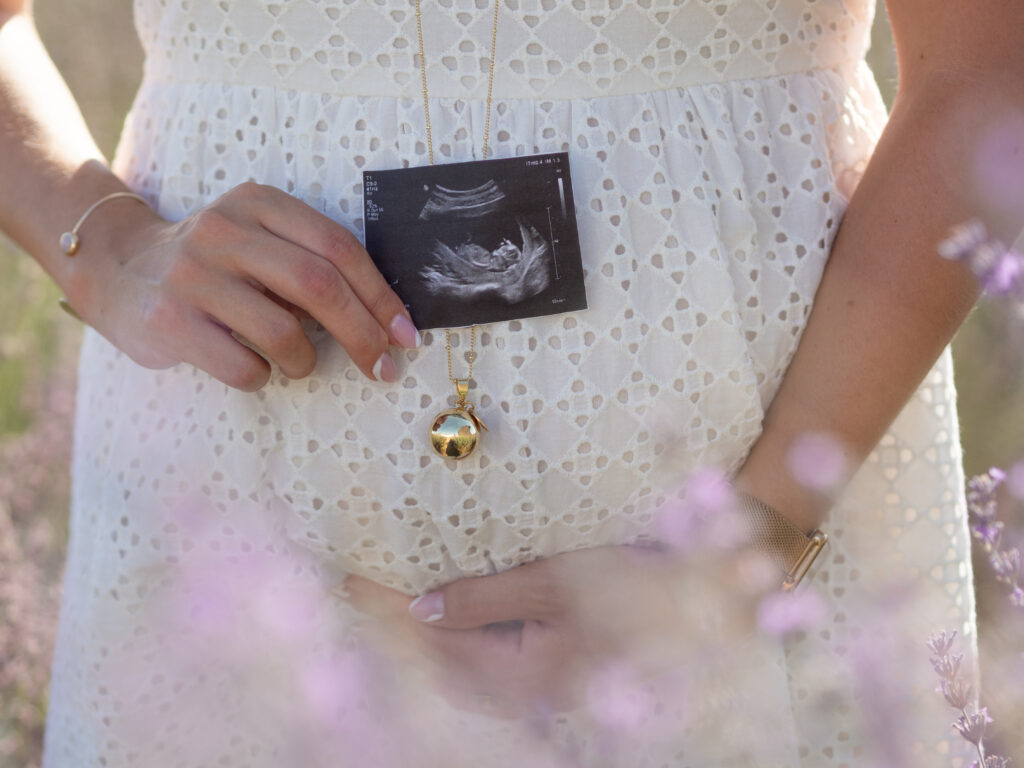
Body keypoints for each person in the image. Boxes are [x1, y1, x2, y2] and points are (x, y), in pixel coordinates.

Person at [1, 0, 1020, 765]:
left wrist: (753, 535)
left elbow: (986, 69)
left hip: (759, 565)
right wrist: (108, 248)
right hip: (222, 566)